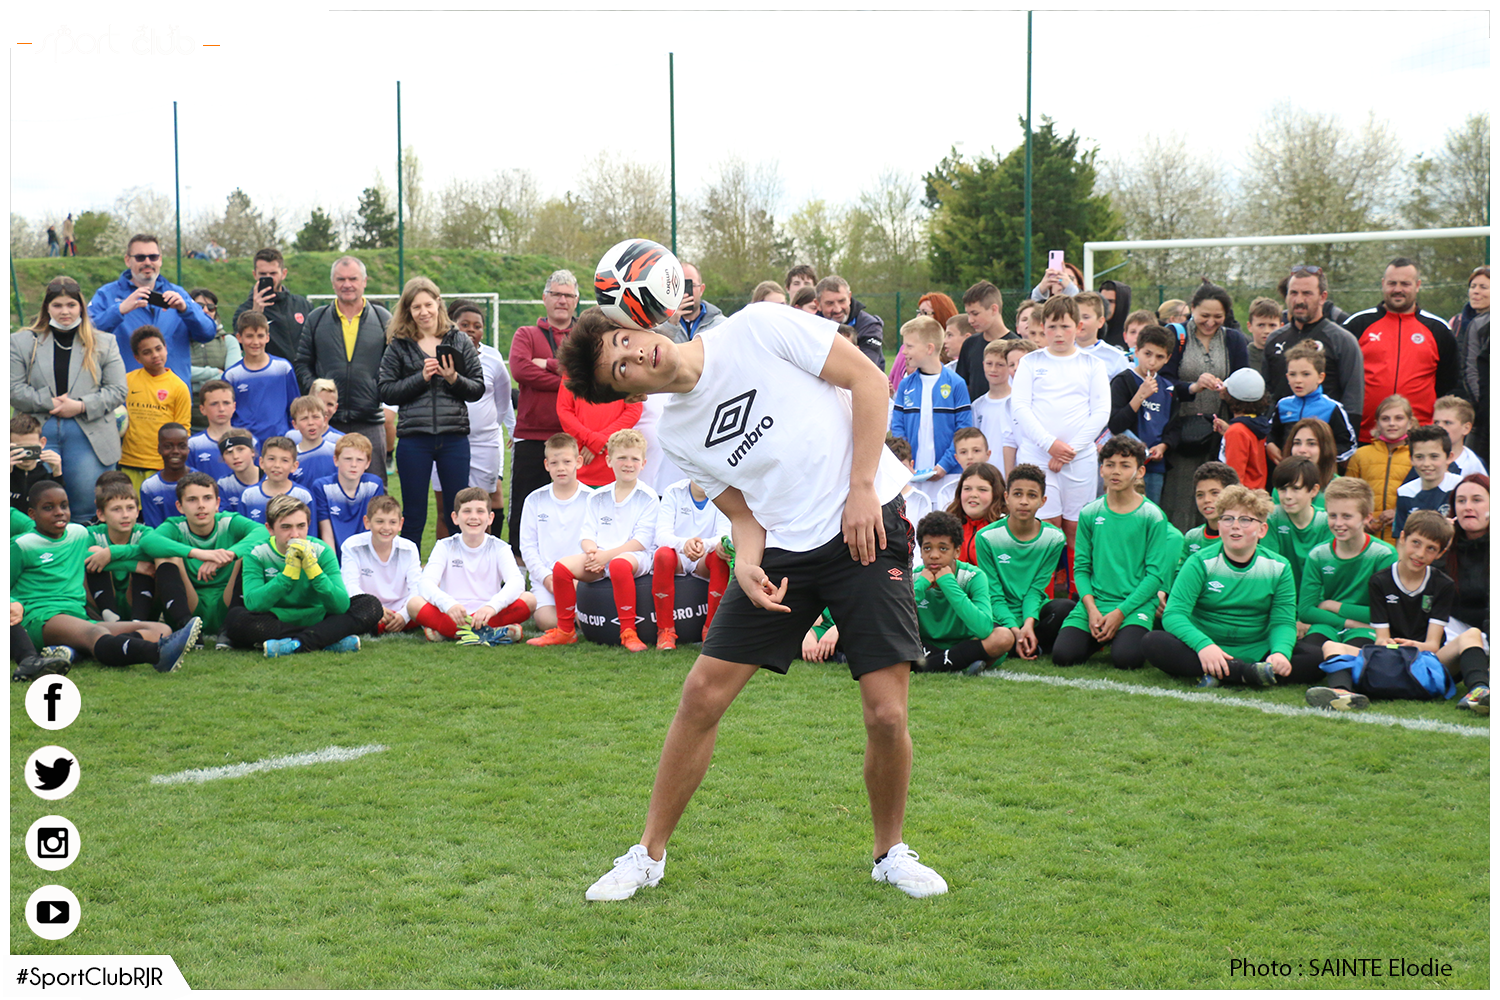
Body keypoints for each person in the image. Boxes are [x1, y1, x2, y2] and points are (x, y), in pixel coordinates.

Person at [561, 292, 947, 901]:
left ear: (642, 327)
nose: (634, 356)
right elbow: (743, 513)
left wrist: (862, 488)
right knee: (701, 694)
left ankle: (890, 853)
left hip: (865, 525)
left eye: (624, 342)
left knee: (886, 713)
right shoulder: (678, 434)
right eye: (621, 368)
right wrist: (744, 564)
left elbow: (870, 381)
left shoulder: (758, 326)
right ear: (627, 392)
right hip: (784, 552)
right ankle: (647, 855)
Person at [13, 480, 201, 673]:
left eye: (64, 506)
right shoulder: (21, 544)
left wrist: (130, 564)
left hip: (79, 615)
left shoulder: (77, 534)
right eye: (48, 508)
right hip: (42, 616)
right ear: (32, 514)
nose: (59, 512)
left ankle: (78, 650)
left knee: (160, 630)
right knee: (96, 632)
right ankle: (157, 655)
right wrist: (14, 604)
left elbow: (93, 559)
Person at [1307, 511, 1485, 712]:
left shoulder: (1443, 584)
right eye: (1416, 543)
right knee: (1331, 646)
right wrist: (1393, 646)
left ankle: (1479, 691)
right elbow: (1381, 640)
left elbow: (1433, 645)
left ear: (1440, 553)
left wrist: (1414, 646)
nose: (1420, 554)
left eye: (1431, 548)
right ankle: (1342, 692)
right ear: (1402, 537)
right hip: (1388, 658)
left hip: (1427, 661)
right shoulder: (1380, 581)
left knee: (1472, 634)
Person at [1142, 485, 1297, 688]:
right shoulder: (1200, 562)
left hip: (1257, 647)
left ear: (1262, 530)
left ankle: (1223, 673)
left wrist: (1280, 653)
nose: (1235, 526)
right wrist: (1203, 645)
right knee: (1152, 642)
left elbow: (1283, 621)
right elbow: (1174, 614)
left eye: (1245, 520)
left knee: (1311, 657)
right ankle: (1247, 673)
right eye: (1227, 519)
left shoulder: (1279, 567)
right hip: (1205, 646)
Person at [528, 428, 659, 652]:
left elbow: (642, 541)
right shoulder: (597, 496)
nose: (628, 464)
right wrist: (591, 552)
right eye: (622, 458)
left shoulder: (648, 497)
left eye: (634, 459)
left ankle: (628, 632)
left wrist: (605, 557)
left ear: (643, 463)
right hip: (599, 557)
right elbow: (587, 534)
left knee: (619, 565)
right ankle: (565, 631)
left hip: (636, 557)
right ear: (609, 461)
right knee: (561, 568)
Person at [1051, 436, 1175, 671]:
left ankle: (1120, 633)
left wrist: (1120, 613)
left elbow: (1154, 577)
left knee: (1126, 659)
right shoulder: (1090, 513)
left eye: (1125, 465)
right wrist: (1091, 609)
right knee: (1063, 656)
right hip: (1096, 604)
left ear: (1140, 472)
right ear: (1101, 470)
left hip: (1134, 606)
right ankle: (1102, 632)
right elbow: (1081, 569)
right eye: (1110, 465)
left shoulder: (1153, 516)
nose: (1116, 471)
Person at [377, 277, 485, 546]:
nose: (423, 312)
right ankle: (410, 568)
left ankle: (458, 567)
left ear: (438, 303)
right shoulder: (399, 344)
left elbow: (477, 388)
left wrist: (453, 379)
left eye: (428, 304)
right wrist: (420, 378)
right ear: (408, 310)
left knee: (456, 514)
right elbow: (386, 391)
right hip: (414, 439)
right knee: (414, 514)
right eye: (416, 307)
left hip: (454, 438)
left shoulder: (459, 339)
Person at [1009, 294, 1110, 581]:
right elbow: (1020, 408)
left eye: (1065, 326)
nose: (1058, 333)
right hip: (1038, 458)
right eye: (1052, 327)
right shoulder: (1030, 362)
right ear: (1043, 327)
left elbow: (1101, 411)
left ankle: (1079, 593)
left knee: (1076, 529)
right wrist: (1049, 445)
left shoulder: (1092, 364)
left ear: (1078, 327)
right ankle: (1044, 594)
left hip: (1079, 460)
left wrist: (1069, 451)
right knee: (1046, 527)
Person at [11, 276, 127, 522]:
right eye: (58, 305)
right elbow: (12, 389)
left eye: (71, 305)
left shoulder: (105, 342)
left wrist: (81, 405)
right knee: (34, 510)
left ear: (81, 307)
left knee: (85, 509)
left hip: (89, 433)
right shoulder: (21, 342)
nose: (65, 311)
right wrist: (49, 402)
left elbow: (118, 390)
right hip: (37, 432)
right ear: (47, 308)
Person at [224, 494, 381, 656]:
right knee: (235, 619)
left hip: (319, 617)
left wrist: (314, 571)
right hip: (276, 619)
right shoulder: (257, 553)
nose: (295, 534)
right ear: (270, 529)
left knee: (371, 605)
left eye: (301, 526)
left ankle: (295, 644)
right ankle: (326, 639)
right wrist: (286, 577)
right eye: (286, 527)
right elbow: (253, 604)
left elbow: (340, 605)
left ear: (308, 525)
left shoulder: (322, 551)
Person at [141, 471, 268, 647]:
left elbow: (263, 532)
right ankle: (186, 628)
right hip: (188, 604)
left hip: (229, 603)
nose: (201, 506)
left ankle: (230, 629)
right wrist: (198, 553)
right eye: (192, 500)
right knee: (165, 557)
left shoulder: (228, 521)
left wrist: (229, 555)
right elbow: (147, 542)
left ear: (217, 503)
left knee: (247, 554)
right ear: (180, 506)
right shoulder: (175, 526)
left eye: (207, 498)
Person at [295, 256, 392, 485]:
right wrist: (317, 395)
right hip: (327, 423)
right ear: (333, 283)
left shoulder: (383, 319)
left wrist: (376, 392)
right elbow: (302, 363)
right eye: (341, 279)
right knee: (326, 487)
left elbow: (393, 366)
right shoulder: (317, 319)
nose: (347, 284)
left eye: (353, 279)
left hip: (369, 420)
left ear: (364, 281)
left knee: (374, 488)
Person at [1288, 478, 1398, 676]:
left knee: (1359, 662)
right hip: (1327, 626)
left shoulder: (1384, 555)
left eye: (1347, 516)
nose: (1338, 523)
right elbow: (1305, 610)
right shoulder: (1318, 554)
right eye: (1332, 515)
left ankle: (1340, 683)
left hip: (1365, 630)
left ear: (1367, 517)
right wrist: (1350, 622)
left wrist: (1334, 606)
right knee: (1306, 659)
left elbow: (1387, 612)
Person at [1158, 283, 1245, 531]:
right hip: (1182, 435)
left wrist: (1229, 394)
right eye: (1204, 315)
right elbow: (1163, 381)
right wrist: (1192, 387)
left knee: (1218, 496)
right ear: (1192, 309)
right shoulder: (1175, 335)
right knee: (1182, 495)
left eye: (1218, 317)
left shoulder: (1234, 340)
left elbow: (1244, 383)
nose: (1210, 322)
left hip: (1219, 434)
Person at [508, 270, 580, 561]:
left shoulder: (584, 336)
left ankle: (569, 560)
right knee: (525, 502)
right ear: (544, 298)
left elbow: (591, 372)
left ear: (576, 300)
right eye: (556, 294)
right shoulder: (526, 334)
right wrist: (568, 380)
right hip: (532, 434)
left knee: (571, 503)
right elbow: (521, 370)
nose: (562, 300)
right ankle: (518, 563)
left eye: (568, 295)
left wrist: (547, 364)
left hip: (575, 434)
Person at [1345, 257, 1458, 442]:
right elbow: (1341, 377)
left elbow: (1449, 382)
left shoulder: (1438, 329)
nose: (1398, 289)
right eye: (1392, 283)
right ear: (1383, 284)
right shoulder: (1357, 324)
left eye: (1405, 284)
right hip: (1365, 435)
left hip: (1421, 438)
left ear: (1417, 285)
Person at [428, 300, 514, 540]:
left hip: (483, 444)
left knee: (480, 510)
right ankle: (446, 561)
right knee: (447, 510)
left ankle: (483, 560)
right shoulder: (437, 356)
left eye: (477, 326)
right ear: (452, 325)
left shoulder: (493, 360)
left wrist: (487, 427)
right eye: (464, 324)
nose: (471, 330)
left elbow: (502, 402)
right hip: (445, 442)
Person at [89, 233, 216, 388]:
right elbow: (85, 334)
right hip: (127, 395)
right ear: (128, 260)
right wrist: (119, 310)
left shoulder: (179, 294)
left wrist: (186, 310)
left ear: (160, 260)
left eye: (153, 257)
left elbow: (208, 333)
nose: (147, 262)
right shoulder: (107, 295)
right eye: (140, 257)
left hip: (173, 395)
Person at [416, 487, 536, 645]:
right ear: (455, 518)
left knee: (529, 599)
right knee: (414, 603)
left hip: (489, 614)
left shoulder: (500, 547)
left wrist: (492, 607)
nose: (473, 517)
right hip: (453, 614)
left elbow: (516, 582)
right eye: (467, 511)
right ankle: (496, 632)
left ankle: (447, 632)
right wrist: (449, 604)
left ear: (490, 518)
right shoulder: (444, 546)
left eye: (480, 511)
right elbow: (426, 582)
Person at [975, 464, 1071, 660]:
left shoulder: (1054, 538)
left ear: (1043, 501)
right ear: (1006, 497)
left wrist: (1028, 623)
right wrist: (1013, 627)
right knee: (982, 625)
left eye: (1032, 495)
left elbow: (1036, 590)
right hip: (998, 615)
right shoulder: (986, 537)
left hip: (1034, 613)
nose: (1024, 501)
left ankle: (1021, 642)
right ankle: (1026, 643)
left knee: (1065, 608)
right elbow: (994, 594)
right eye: (1017, 494)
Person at [908, 511, 1012, 674]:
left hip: (967, 643)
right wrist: (920, 586)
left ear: (957, 551)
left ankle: (929, 665)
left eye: (943, 548)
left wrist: (948, 584)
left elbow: (984, 629)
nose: (934, 555)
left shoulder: (973, 577)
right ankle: (958, 662)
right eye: (927, 548)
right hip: (927, 646)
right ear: (920, 552)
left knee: (1003, 637)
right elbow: (895, 622)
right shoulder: (914, 577)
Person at [1263, 265, 1364, 424]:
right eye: (1293, 293)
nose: (1299, 300)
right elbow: (1266, 395)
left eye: (1307, 293)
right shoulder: (1274, 339)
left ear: (1322, 297)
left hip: (1324, 433)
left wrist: (1343, 437)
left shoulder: (1342, 340)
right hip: (1282, 433)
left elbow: (1353, 400)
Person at [889, 315, 972, 502]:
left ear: (929, 348)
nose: (904, 352)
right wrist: (905, 461)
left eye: (909, 346)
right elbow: (897, 427)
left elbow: (963, 431)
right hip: (912, 475)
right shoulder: (905, 385)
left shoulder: (956, 384)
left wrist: (945, 465)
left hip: (949, 475)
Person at [518, 433, 595, 633]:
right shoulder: (535, 500)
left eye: (567, 462)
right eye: (554, 463)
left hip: (581, 579)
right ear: (546, 465)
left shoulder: (592, 499)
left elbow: (599, 544)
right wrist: (546, 578)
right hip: (546, 580)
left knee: (588, 620)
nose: (561, 468)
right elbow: (527, 546)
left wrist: (580, 576)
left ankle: (580, 613)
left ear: (578, 462)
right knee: (546, 621)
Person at [652, 478, 732, 650]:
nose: (702, 476)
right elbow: (661, 535)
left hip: (705, 555)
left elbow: (725, 534)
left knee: (720, 556)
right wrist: (684, 544)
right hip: (679, 554)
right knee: (662, 555)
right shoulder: (673, 491)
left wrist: (704, 545)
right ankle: (665, 631)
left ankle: (711, 631)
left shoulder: (724, 493)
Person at [1107, 325, 1181, 505]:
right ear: (1136, 351)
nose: (1152, 362)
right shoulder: (1123, 381)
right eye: (1147, 354)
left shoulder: (1168, 388)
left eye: (1159, 357)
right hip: (1124, 463)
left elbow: (1174, 427)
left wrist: (1164, 446)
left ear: (1168, 358)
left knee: (1149, 511)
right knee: (1121, 508)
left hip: (1153, 467)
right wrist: (1140, 395)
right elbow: (1115, 424)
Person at [339, 495, 427, 636]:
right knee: (341, 608)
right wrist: (375, 608)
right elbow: (350, 585)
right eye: (380, 521)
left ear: (400, 524)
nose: (386, 528)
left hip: (402, 608)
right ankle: (382, 624)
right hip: (367, 607)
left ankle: (392, 624)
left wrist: (404, 616)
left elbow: (416, 587)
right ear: (367, 522)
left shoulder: (409, 548)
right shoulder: (352, 546)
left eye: (392, 522)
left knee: (426, 601)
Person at [119, 327, 191, 492]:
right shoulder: (127, 381)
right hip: (129, 462)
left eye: (158, 349)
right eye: (147, 352)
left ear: (166, 348)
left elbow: (183, 429)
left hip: (162, 465)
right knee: (132, 506)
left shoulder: (179, 387)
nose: (155, 355)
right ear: (137, 357)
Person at [1266, 344, 1357, 466]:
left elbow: (1348, 446)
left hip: (1320, 473)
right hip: (1288, 471)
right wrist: (1270, 445)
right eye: (1292, 374)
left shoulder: (1331, 408)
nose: (1298, 380)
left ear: (1320, 377)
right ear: (1287, 377)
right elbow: (1271, 433)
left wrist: (1323, 458)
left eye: (1305, 374)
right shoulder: (1283, 405)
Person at [224, 311, 301, 448]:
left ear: (267, 337)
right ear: (239, 338)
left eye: (260, 336)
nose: (255, 342)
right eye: (249, 336)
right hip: (245, 445)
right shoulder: (232, 375)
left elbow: (295, 408)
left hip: (279, 443)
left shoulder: (283, 368)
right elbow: (227, 415)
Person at [83, 478, 155, 623]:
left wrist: (111, 553)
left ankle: (138, 620)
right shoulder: (92, 533)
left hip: (138, 601)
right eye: (116, 509)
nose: (125, 515)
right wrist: (133, 565)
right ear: (101, 515)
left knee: (148, 555)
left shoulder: (145, 532)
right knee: (94, 552)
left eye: (130, 508)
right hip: (99, 604)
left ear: (137, 512)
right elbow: (77, 557)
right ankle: (109, 616)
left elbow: (154, 550)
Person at [1446, 474, 1489, 711]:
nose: (1467, 507)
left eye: (1477, 500)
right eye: (1461, 501)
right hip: (1456, 636)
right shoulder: (1445, 546)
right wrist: (1441, 543)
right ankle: (1481, 689)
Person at [1345, 394, 1413, 542]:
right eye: (1385, 419)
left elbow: (1423, 497)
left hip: (1403, 538)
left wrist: (1399, 513)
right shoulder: (1361, 455)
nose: (1392, 423)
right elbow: (1348, 495)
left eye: (1399, 418)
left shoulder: (1416, 457)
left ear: (1410, 423)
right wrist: (1361, 519)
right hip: (1365, 538)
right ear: (1377, 424)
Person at [1262, 457, 1331, 598]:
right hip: (1282, 597)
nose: (1288, 496)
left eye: (1296, 489)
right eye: (1282, 489)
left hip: (1317, 600)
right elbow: (1271, 568)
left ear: (1314, 490)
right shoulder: (1272, 518)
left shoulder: (1327, 522)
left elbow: (1327, 573)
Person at [231, 248, 312, 363]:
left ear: (284, 274)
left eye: (273, 273)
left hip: (302, 371)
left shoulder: (302, 304)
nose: (269, 278)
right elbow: (241, 345)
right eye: (263, 274)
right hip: (269, 371)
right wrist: (255, 315)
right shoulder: (244, 311)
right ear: (254, 275)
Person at [556, 382, 642, 488]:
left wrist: (597, 441)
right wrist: (593, 440)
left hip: (614, 462)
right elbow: (564, 412)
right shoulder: (572, 373)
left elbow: (633, 412)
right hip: (579, 461)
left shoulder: (626, 373)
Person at [312, 433, 384, 558]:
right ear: (336, 460)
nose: (354, 464)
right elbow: (326, 532)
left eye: (360, 460)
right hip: (334, 555)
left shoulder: (373, 485)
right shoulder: (322, 487)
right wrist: (333, 564)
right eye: (348, 459)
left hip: (364, 555)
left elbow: (372, 528)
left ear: (368, 463)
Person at [1393, 426, 1462, 538]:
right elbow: (1401, 538)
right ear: (1411, 459)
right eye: (1419, 457)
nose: (1426, 463)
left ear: (1449, 457)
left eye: (1434, 456)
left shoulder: (1460, 487)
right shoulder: (1405, 492)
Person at [956, 281, 1014, 401]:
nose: (970, 320)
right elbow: (962, 387)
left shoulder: (1015, 347)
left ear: (994, 309)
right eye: (968, 314)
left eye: (975, 313)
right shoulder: (969, 344)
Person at [1215, 368, 1271, 491]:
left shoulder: (1236, 432)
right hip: (1257, 494)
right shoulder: (1257, 424)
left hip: (1242, 498)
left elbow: (1234, 478)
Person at [237, 436, 314, 526]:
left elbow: (310, 532)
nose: (277, 465)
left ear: (294, 466)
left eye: (284, 460)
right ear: (261, 462)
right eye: (271, 459)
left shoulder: (303, 496)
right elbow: (241, 531)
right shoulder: (248, 495)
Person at [942, 461, 1007, 564]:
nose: (973, 494)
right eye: (967, 489)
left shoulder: (1005, 529)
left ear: (996, 493)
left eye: (982, 489)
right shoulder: (948, 526)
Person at [816, 275, 885, 371]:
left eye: (842, 301)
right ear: (818, 304)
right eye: (830, 303)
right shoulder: (810, 326)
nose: (837, 309)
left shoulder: (870, 326)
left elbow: (866, 368)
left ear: (849, 297)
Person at [893, 292, 959, 392]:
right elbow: (894, 381)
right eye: (918, 312)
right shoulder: (905, 350)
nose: (918, 317)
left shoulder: (954, 351)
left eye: (924, 313)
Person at [1180, 462, 1240, 564]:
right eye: (1200, 495)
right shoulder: (1192, 537)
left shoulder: (1242, 535)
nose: (1206, 500)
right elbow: (1180, 571)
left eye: (1215, 493)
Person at [969, 340, 1014, 469]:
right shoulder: (977, 405)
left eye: (1000, 365)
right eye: (989, 364)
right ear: (983, 364)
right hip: (985, 472)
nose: (993, 369)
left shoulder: (1016, 402)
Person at [186, 380, 243, 481]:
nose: (221, 409)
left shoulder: (248, 441)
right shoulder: (193, 445)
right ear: (202, 409)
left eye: (226, 403)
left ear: (234, 406)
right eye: (214, 404)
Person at [138, 423, 192, 529]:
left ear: (188, 449)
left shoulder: (200, 482)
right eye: (168, 447)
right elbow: (153, 529)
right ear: (159, 449)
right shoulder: (150, 487)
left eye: (182, 446)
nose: (175, 451)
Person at [9, 414, 61, 515]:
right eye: (20, 449)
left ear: (42, 443)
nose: (26, 454)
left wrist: (57, 473)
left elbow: (58, 509)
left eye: (31, 448)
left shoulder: (45, 475)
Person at [1072, 291, 1129, 380]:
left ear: (1100, 322)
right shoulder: (1059, 352)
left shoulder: (1117, 357)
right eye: (1076, 317)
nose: (1080, 322)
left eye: (1086, 317)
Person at [287, 395, 340, 488]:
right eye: (304, 418)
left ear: (325, 420)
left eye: (316, 417)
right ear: (295, 424)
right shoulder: (289, 458)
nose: (311, 423)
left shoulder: (336, 453)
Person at [668, 262, 727, 343]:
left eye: (691, 285)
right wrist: (670, 326)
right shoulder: (659, 325)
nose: (685, 291)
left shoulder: (720, 325)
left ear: (701, 289)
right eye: (679, 285)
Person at [1430, 396, 1487, 479]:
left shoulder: (1475, 467)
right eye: (1436, 422)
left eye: (1447, 422)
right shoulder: (1421, 459)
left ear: (1466, 428)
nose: (1439, 427)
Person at [214, 430, 263, 516]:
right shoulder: (224, 485)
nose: (235, 456)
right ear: (223, 458)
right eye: (229, 452)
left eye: (240, 449)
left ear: (252, 452)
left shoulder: (269, 478)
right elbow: (225, 517)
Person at [1243, 297, 1281, 375]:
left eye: (1272, 325)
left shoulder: (1287, 356)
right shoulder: (1242, 357)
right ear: (1250, 326)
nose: (1267, 331)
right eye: (1261, 325)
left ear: (1281, 327)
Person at [1098, 279, 1134, 350]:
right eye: (1102, 300)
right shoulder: (1093, 331)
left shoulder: (1133, 334)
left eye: (1111, 301)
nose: (1105, 305)